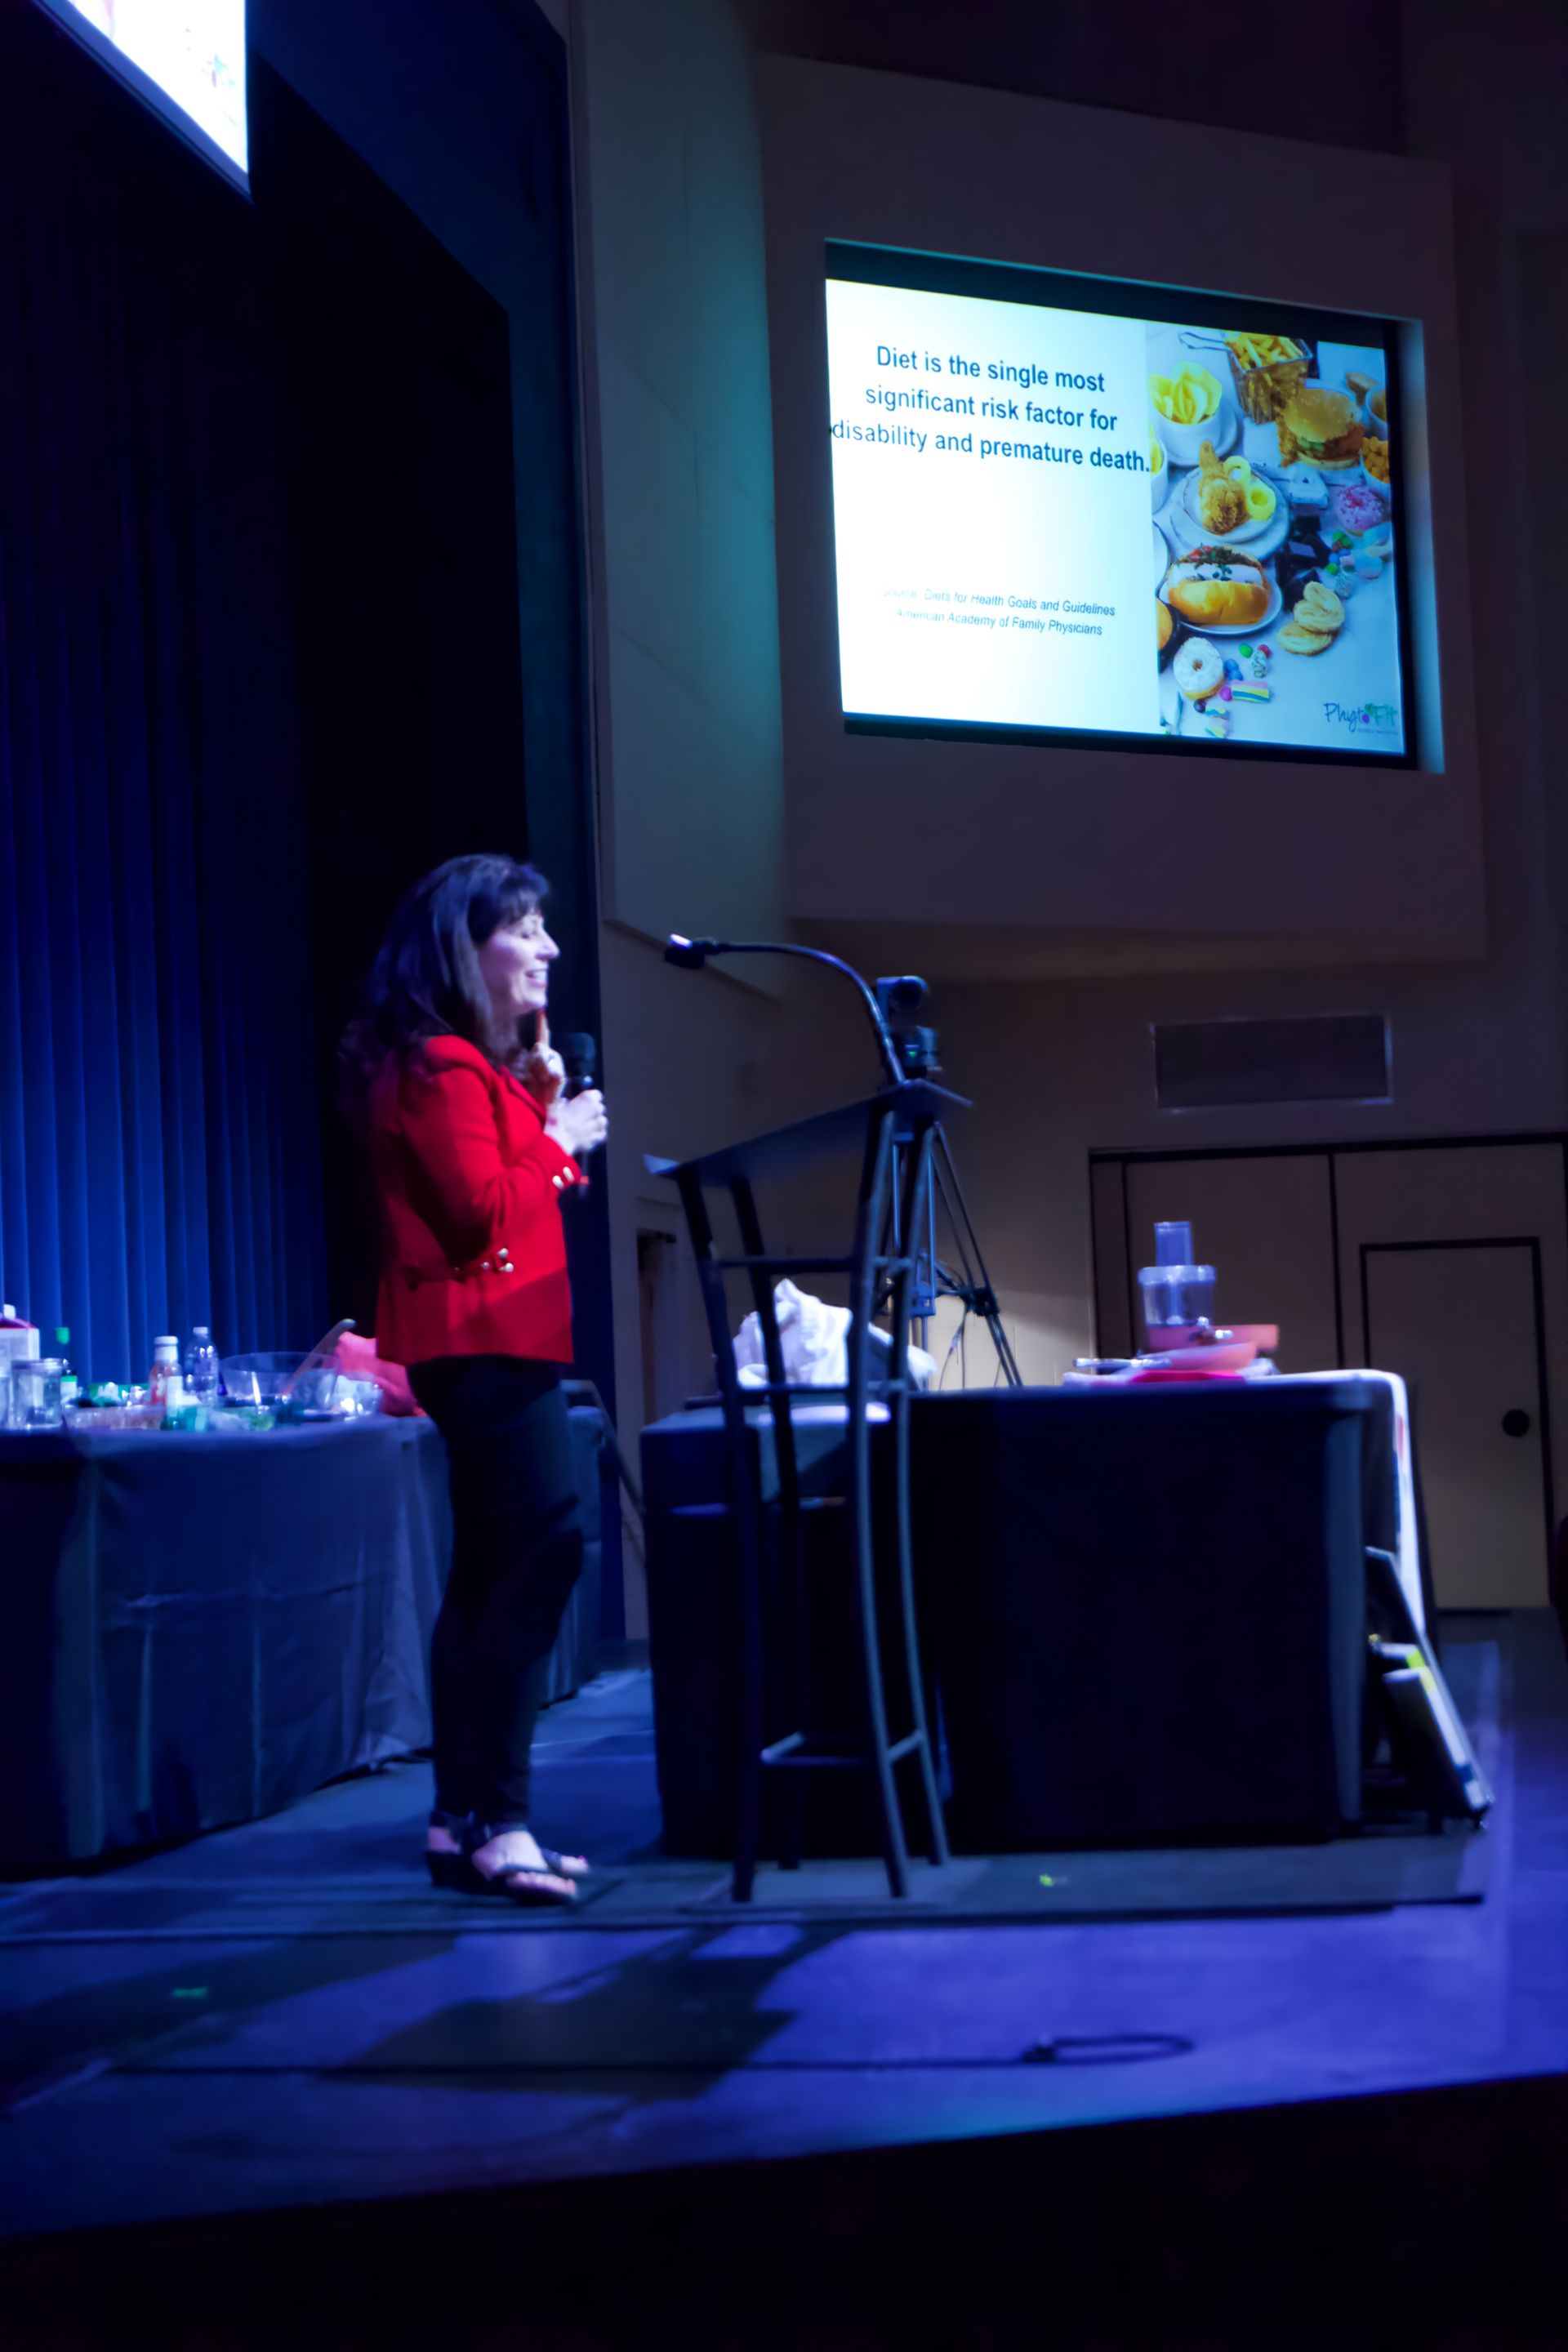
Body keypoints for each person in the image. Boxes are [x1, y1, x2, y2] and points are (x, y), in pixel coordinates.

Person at [343, 853, 608, 1904]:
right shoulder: (440, 1066)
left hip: (492, 1339)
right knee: (542, 1556)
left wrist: (540, 1116)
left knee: (494, 1573)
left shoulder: (465, 1068)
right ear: (468, 945)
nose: (547, 948)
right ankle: (500, 1819)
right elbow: (478, 1214)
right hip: (484, 1343)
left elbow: (508, 1190)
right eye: (526, 928)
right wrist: (554, 1140)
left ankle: (462, 1823)